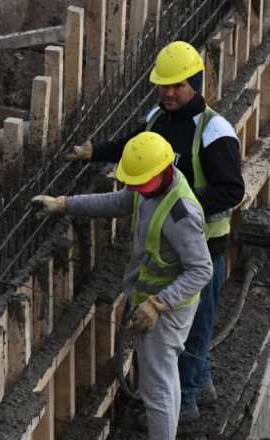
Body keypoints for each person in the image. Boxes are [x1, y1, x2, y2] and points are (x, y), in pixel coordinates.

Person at [66, 41, 244, 419]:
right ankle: (202, 383)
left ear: (195, 83)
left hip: (204, 244)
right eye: (163, 85)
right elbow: (135, 148)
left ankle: (189, 401)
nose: (168, 92)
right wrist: (94, 151)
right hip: (169, 245)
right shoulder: (158, 117)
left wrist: (181, 208)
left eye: (177, 85)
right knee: (192, 325)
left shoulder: (214, 131)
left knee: (196, 324)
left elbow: (232, 190)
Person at [33, 132, 213, 439]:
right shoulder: (154, 184)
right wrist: (65, 204)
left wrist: (159, 304)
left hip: (167, 310)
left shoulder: (181, 214)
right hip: (155, 300)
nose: (135, 188)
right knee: (165, 379)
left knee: (156, 388)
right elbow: (118, 201)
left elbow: (202, 269)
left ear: (161, 170)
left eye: (140, 182)